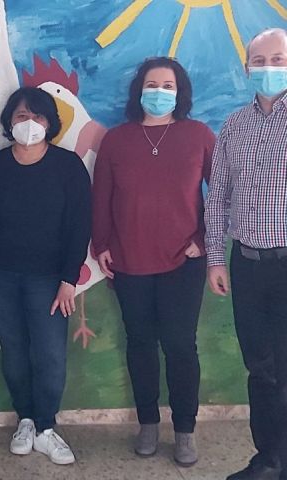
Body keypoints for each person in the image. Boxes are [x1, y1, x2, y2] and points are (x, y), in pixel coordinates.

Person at [92, 57, 215, 467]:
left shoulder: (198, 135)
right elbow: (102, 197)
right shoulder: (116, 140)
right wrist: (102, 244)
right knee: (140, 344)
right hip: (129, 262)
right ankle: (147, 424)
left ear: (180, 93)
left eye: (167, 85)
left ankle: (184, 431)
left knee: (180, 346)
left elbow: (223, 192)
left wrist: (204, 240)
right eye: (151, 84)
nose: (159, 92)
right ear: (138, 90)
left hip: (184, 262)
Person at [0, 86, 91, 465]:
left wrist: (69, 279)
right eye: (22, 116)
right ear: (9, 121)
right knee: (14, 349)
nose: (29, 123)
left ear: (50, 123)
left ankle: (45, 427)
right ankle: (25, 419)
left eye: (37, 116)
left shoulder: (67, 166)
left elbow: (79, 225)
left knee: (50, 353)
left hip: (49, 279)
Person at [205, 28, 287, 480]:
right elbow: (218, 198)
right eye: (261, 61)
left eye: (279, 59)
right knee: (260, 367)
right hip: (247, 264)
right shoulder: (234, 125)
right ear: (246, 68)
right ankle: (269, 458)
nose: (269, 68)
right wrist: (216, 259)